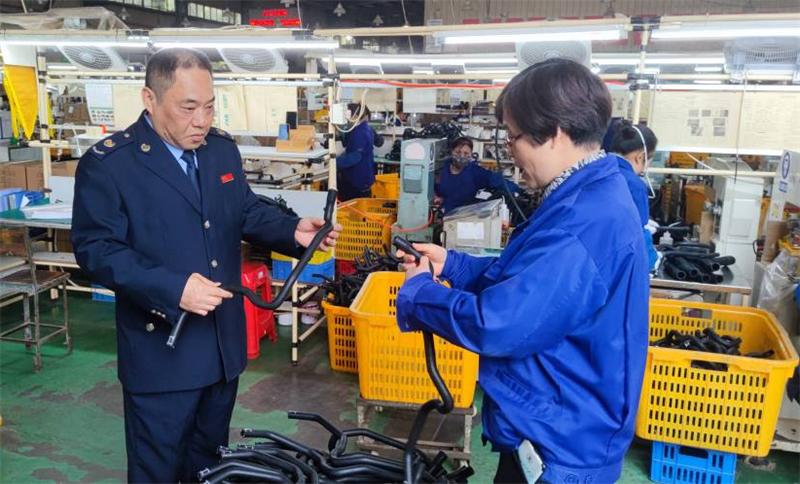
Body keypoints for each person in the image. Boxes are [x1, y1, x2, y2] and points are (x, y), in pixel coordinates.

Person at [70, 48, 340, 484]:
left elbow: (243, 210)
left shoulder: (219, 151)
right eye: (188, 108)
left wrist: (292, 230)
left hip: (221, 349)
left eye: (210, 107)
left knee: (210, 470)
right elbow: (97, 249)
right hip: (161, 356)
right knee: (157, 472)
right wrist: (173, 288)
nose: (201, 121)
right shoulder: (112, 165)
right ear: (150, 99)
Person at [395, 59, 649, 484]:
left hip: (561, 445)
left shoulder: (585, 222)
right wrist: (452, 264)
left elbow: (500, 324)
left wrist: (421, 292)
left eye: (513, 137)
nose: (510, 151)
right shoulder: (585, 198)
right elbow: (530, 282)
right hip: (555, 425)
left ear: (555, 133)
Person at [610, 120, 660, 269]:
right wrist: (653, 259)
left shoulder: (598, 169)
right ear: (640, 157)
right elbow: (639, 235)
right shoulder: (634, 185)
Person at [434, 137, 520, 213]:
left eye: (466, 153)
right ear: (451, 152)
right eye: (458, 152)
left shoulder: (475, 172)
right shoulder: (441, 168)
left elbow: (497, 180)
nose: (461, 156)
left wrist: (518, 190)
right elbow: (430, 187)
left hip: (463, 216)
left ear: (471, 154)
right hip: (439, 214)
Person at [336, 103, 375, 201]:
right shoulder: (359, 129)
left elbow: (355, 156)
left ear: (355, 116)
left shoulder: (361, 132)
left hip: (358, 180)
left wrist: (334, 162)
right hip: (359, 178)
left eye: (348, 115)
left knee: (353, 208)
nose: (347, 119)